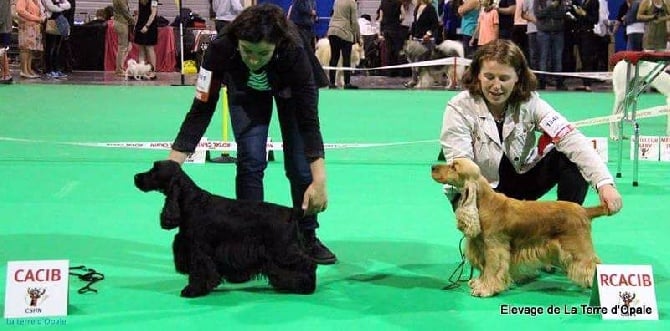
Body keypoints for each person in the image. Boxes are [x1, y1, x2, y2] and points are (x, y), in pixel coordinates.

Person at [167, 4, 336, 265]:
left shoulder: (294, 50)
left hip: (291, 90)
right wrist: (172, 165)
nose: (254, 60)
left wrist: (320, 180)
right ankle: (249, 240)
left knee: (300, 168)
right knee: (250, 161)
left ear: (277, 44)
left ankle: (306, 236)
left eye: (262, 53)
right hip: (245, 92)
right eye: (247, 51)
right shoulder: (220, 48)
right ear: (237, 42)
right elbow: (201, 109)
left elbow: (308, 122)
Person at [440, 39, 622, 216]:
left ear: (517, 77)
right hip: (481, 192)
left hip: (522, 181)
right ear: (478, 74)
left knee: (571, 158)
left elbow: (570, 137)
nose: (496, 86)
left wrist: (604, 183)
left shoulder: (531, 102)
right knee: (493, 245)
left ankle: (562, 227)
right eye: (489, 77)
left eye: (504, 78)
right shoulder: (458, 107)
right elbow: (461, 168)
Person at [326, 0, 360, 89]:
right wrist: (357, 36)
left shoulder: (337, 0)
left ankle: (331, 83)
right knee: (346, 58)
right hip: (344, 31)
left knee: (334, 57)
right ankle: (347, 83)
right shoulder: (352, 2)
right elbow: (354, 21)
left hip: (332, 30)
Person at [133, 0, 157, 79]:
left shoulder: (154, 0)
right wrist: (135, 24)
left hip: (149, 25)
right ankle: (141, 72)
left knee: (149, 48)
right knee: (141, 49)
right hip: (140, 24)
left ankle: (153, 72)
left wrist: (147, 26)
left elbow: (153, 14)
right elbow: (139, 12)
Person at [113, 0, 135, 76]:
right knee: (122, 48)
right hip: (122, 23)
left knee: (122, 47)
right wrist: (133, 21)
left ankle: (119, 69)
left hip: (118, 22)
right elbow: (125, 11)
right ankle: (119, 70)